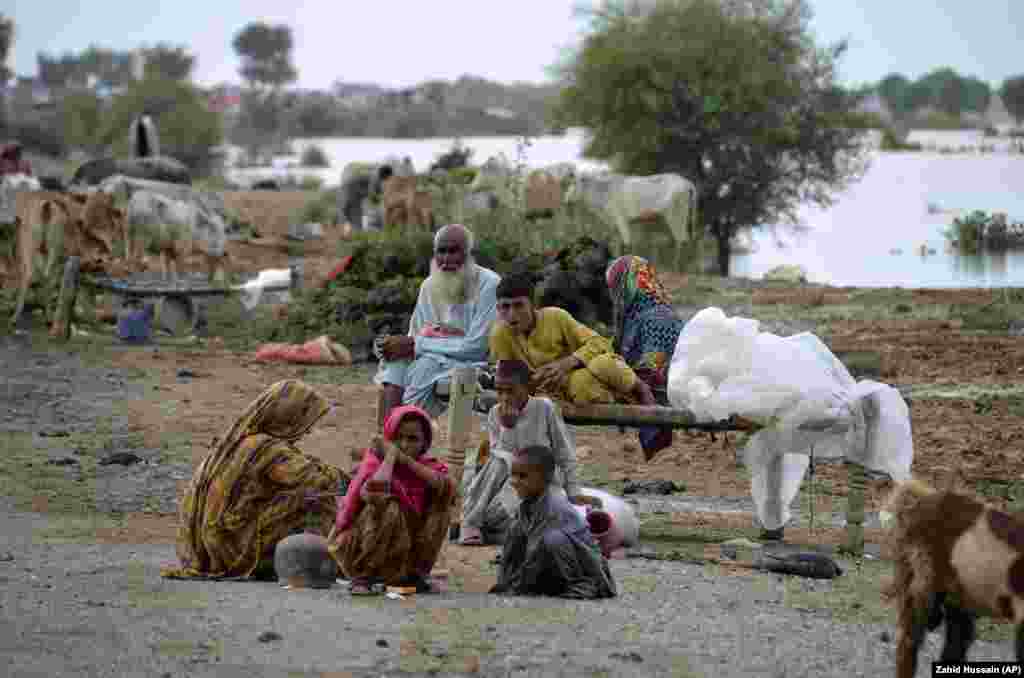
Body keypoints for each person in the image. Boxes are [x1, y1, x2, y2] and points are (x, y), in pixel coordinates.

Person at [161, 380, 347, 580]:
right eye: (306, 421)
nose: (308, 430)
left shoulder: (237, 440)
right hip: (230, 550)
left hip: (203, 548)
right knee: (317, 499)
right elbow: (316, 480)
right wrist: (357, 479)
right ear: (288, 417)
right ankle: (317, 564)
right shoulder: (267, 448)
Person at [489, 272, 671, 461]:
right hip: (558, 393)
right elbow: (507, 380)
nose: (512, 314)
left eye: (519, 305)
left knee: (604, 363)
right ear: (497, 309)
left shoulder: (556, 317)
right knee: (580, 387)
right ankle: (624, 402)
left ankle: (642, 390)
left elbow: (600, 343)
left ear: (533, 306)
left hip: (586, 371)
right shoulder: (499, 335)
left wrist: (566, 363)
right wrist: (532, 384)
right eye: (505, 307)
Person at [459, 359, 593, 546]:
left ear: (527, 387)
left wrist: (573, 491)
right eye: (499, 391)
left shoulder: (544, 408)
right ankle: (471, 524)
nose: (504, 397)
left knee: (531, 518)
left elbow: (564, 452)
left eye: (510, 390)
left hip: (542, 482)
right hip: (513, 481)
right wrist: (508, 427)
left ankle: (491, 529)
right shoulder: (495, 413)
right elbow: (499, 461)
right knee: (499, 461)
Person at [374, 223, 500, 421]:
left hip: (475, 362)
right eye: (441, 251)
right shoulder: (429, 285)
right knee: (397, 361)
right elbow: (417, 334)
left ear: (469, 254)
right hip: (434, 358)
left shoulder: (489, 284)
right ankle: (387, 433)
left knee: (426, 365)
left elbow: (478, 347)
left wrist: (417, 345)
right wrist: (393, 346)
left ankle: (402, 434)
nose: (446, 259)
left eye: (454, 251)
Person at [329, 405, 456, 595]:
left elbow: (448, 487)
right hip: (361, 548)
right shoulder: (375, 463)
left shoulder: (427, 467)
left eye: (413, 439)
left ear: (424, 443)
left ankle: (413, 576)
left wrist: (405, 461)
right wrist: (390, 457)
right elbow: (373, 491)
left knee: (442, 506)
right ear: (389, 438)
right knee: (386, 504)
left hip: (403, 552)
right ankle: (364, 578)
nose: (404, 445)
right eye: (398, 438)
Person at [490, 445, 616, 599]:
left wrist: (518, 587)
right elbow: (511, 550)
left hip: (591, 573)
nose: (514, 482)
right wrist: (504, 581)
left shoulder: (554, 507)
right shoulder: (526, 506)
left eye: (522, 476)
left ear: (545, 478)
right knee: (515, 530)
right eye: (513, 475)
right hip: (554, 569)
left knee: (553, 539)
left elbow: (534, 552)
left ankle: (582, 585)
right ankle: (544, 585)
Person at [605, 255, 686, 450]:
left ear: (626, 285)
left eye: (614, 286)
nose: (612, 294)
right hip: (638, 388)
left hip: (663, 395)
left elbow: (653, 369)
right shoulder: (634, 318)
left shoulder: (659, 317)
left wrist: (617, 382)